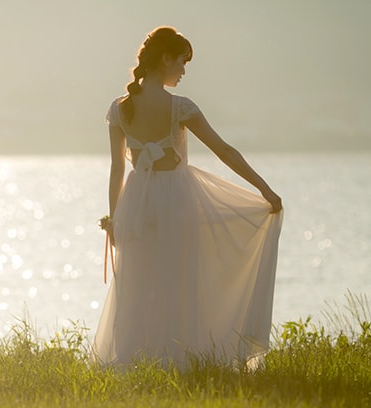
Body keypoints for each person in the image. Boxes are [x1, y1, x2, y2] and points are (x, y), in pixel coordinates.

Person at [93, 26, 283, 367]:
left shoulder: (119, 109)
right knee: (180, 281)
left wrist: (114, 219)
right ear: (165, 58)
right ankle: (180, 358)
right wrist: (264, 189)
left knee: (139, 283)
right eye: (182, 61)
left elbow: (116, 171)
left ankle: (136, 360)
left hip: (136, 202)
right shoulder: (181, 107)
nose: (183, 70)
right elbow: (224, 150)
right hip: (177, 198)